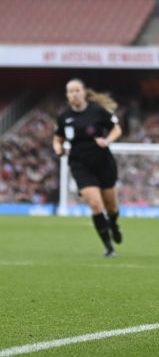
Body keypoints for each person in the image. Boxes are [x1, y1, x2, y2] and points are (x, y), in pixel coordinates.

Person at [53, 78, 124, 258]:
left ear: (84, 93)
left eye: (77, 90)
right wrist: (57, 148)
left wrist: (107, 140)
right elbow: (57, 138)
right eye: (70, 91)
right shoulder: (64, 117)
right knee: (95, 204)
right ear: (67, 95)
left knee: (112, 207)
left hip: (103, 162)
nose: (74, 94)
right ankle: (108, 247)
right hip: (80, 164)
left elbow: (116, 129)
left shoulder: (98, 112)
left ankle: (114, 224)